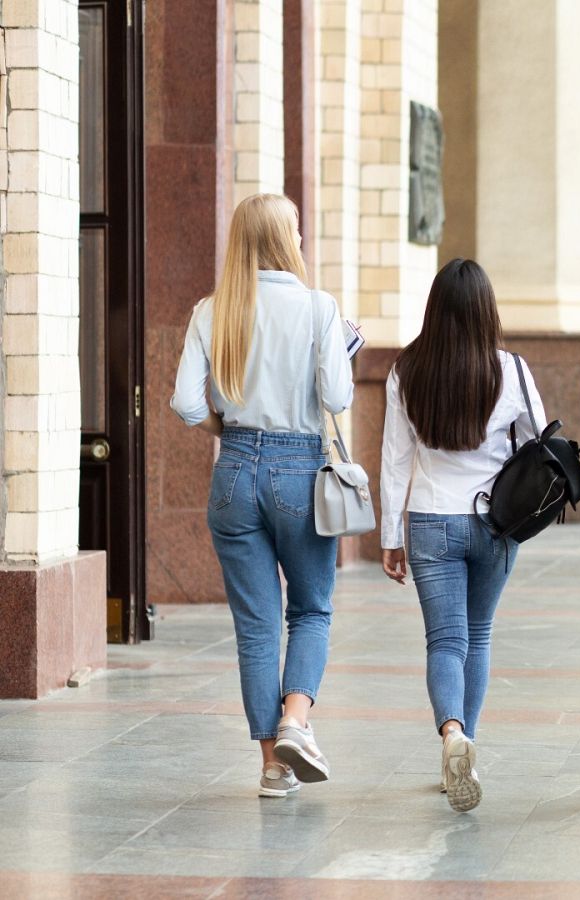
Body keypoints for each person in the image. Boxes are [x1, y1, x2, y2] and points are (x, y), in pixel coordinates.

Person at [171, 193, 353, 797]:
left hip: (234, 471)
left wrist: (230, 431)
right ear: (282, 238)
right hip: (298, 470)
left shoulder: (211, 310)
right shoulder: (318, 308)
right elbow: (339, 399)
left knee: (256, 627)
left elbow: (186, 403)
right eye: (296, 230)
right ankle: (296, 721)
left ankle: (274, 767)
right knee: (310, 608)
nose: (301, 240)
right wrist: (343, 348)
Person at [379, 259, 547, 813]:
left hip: (430, 521)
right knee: (478, 634)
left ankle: (453, 736)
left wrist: (389, 536)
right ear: (486, 310)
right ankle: (464, 745)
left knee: (445, 641)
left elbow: (395, 461)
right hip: (496, 525)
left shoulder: (407, 370)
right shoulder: (512, 371)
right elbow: (537, 447)